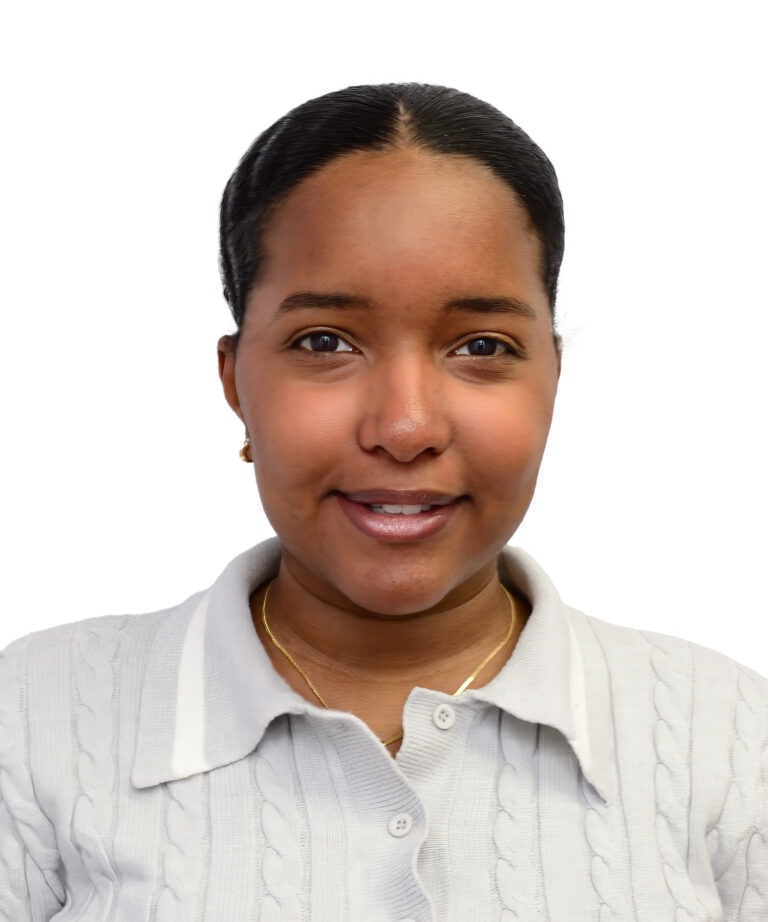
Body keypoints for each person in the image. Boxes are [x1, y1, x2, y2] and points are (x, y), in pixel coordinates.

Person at [0, 83, 765, 922]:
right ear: (235, 382)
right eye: (324, 341)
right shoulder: (32, 718)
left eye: (482, 345)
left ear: (552, 376)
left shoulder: (729, 737)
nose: (405, 428)